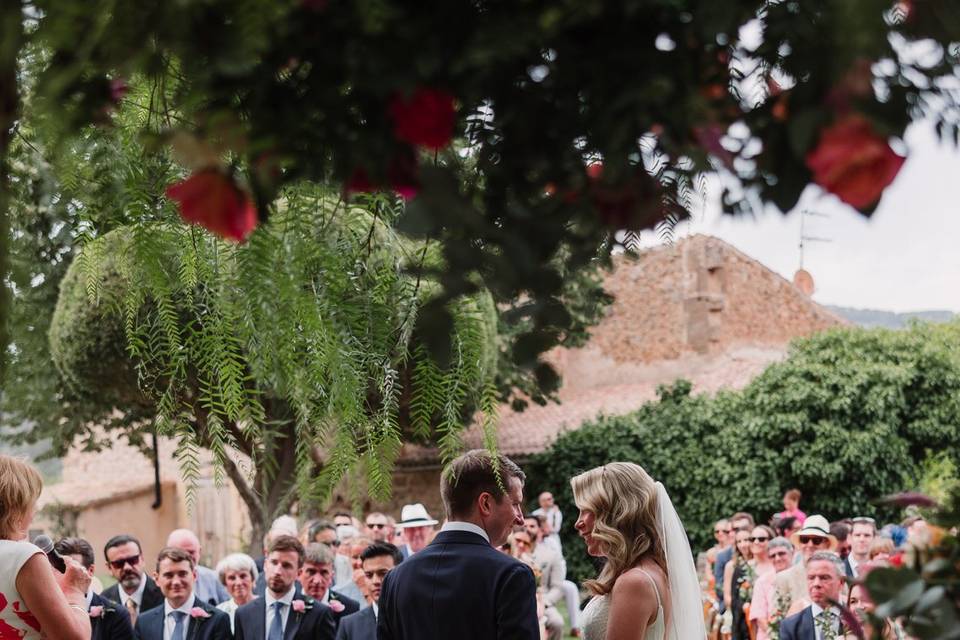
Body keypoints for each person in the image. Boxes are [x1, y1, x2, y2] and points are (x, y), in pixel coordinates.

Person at [377, 449, 540, 639]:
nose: (520, 518)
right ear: (486, 503)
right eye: (514, 504)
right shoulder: (510, 576)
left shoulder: (395, 579)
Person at [573, 462, 705, 640]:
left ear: (617, 512)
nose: (578, 523)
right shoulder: (647, 571)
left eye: (586, 510)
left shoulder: (635, 581)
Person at [0, 455, 93, 640]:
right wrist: (74, 591)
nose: (34, 512)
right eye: (32, 502)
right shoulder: (23, 556)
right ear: (16, 505)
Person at [234, 535, 336, 640]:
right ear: (265, 565)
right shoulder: (244, 614)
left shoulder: (318, 614)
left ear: (299, 573)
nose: (277, 571)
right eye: (274, 562)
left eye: (286, 565)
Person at [133, 547, 232, 640]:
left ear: (194, 575)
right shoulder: (144, 622)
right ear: (157, 579)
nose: (176, 582)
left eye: (182, 574)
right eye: (169, 575)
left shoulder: (217, 620)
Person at [55, 537, 135, 640]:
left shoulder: (116, 616)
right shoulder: (45, 610)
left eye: (73, 572)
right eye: (59, 570)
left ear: (90, 571)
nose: (64, 577)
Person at [771, 514, 838, 622]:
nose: (810, 545)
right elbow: (775, 622)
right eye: (805, 539)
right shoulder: (784, 578)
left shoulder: (838, 576)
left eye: (816, 540)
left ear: (826, 543)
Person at [335, 543, 403, 640]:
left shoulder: (418, 618)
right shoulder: (350, 626)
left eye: (383, 574)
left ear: (400, 573)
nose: (375, 581)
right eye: (369, 575)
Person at [779, 552, 845, 640]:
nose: (816, 584)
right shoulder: (791, 626)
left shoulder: (857, 620)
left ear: (841, 582)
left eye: (824, 578)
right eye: (811, 578)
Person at [102, 535, 166, 626]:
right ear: (109, 567)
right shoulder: (104, 601)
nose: (127, 567)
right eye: (119, 563)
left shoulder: (163, 594)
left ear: (142, 559)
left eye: (132, 560)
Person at [523, 516, 565, 640]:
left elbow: (557, 587)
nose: (527, 529)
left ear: (540, 530)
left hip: (544, 601)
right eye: (525, 526)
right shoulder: (513, 552)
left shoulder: (552, 555)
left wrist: (543, 603)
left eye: (532, 526)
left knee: (557, 622)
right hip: (519, 602)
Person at [299, 544, 359, 625]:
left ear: (331, 576)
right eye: (311, 572)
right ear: (299, 574)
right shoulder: (289, 604)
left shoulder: (350, 608)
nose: (317, 581)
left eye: (324, 573)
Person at [165, 530, 230, 606]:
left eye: (191, 552)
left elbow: (227, 609)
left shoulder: (214, 578)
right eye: (181, 552)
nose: (187, 557)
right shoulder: (159, 583)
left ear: (199, 551)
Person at [749, 536, 794, 640]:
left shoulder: (802, 578)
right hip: (770, 635)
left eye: (781, 553)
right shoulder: (762, 582)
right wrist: (778, 636)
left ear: (792, 553)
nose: (777, 558)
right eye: (772, 556)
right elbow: (760, 618)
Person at [214, 552, 258, 631]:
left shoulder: (266, 606)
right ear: (225, 583)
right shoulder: (219, 612)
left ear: (252, 578)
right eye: (232, 578)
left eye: (243, 576)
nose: (238, 583)